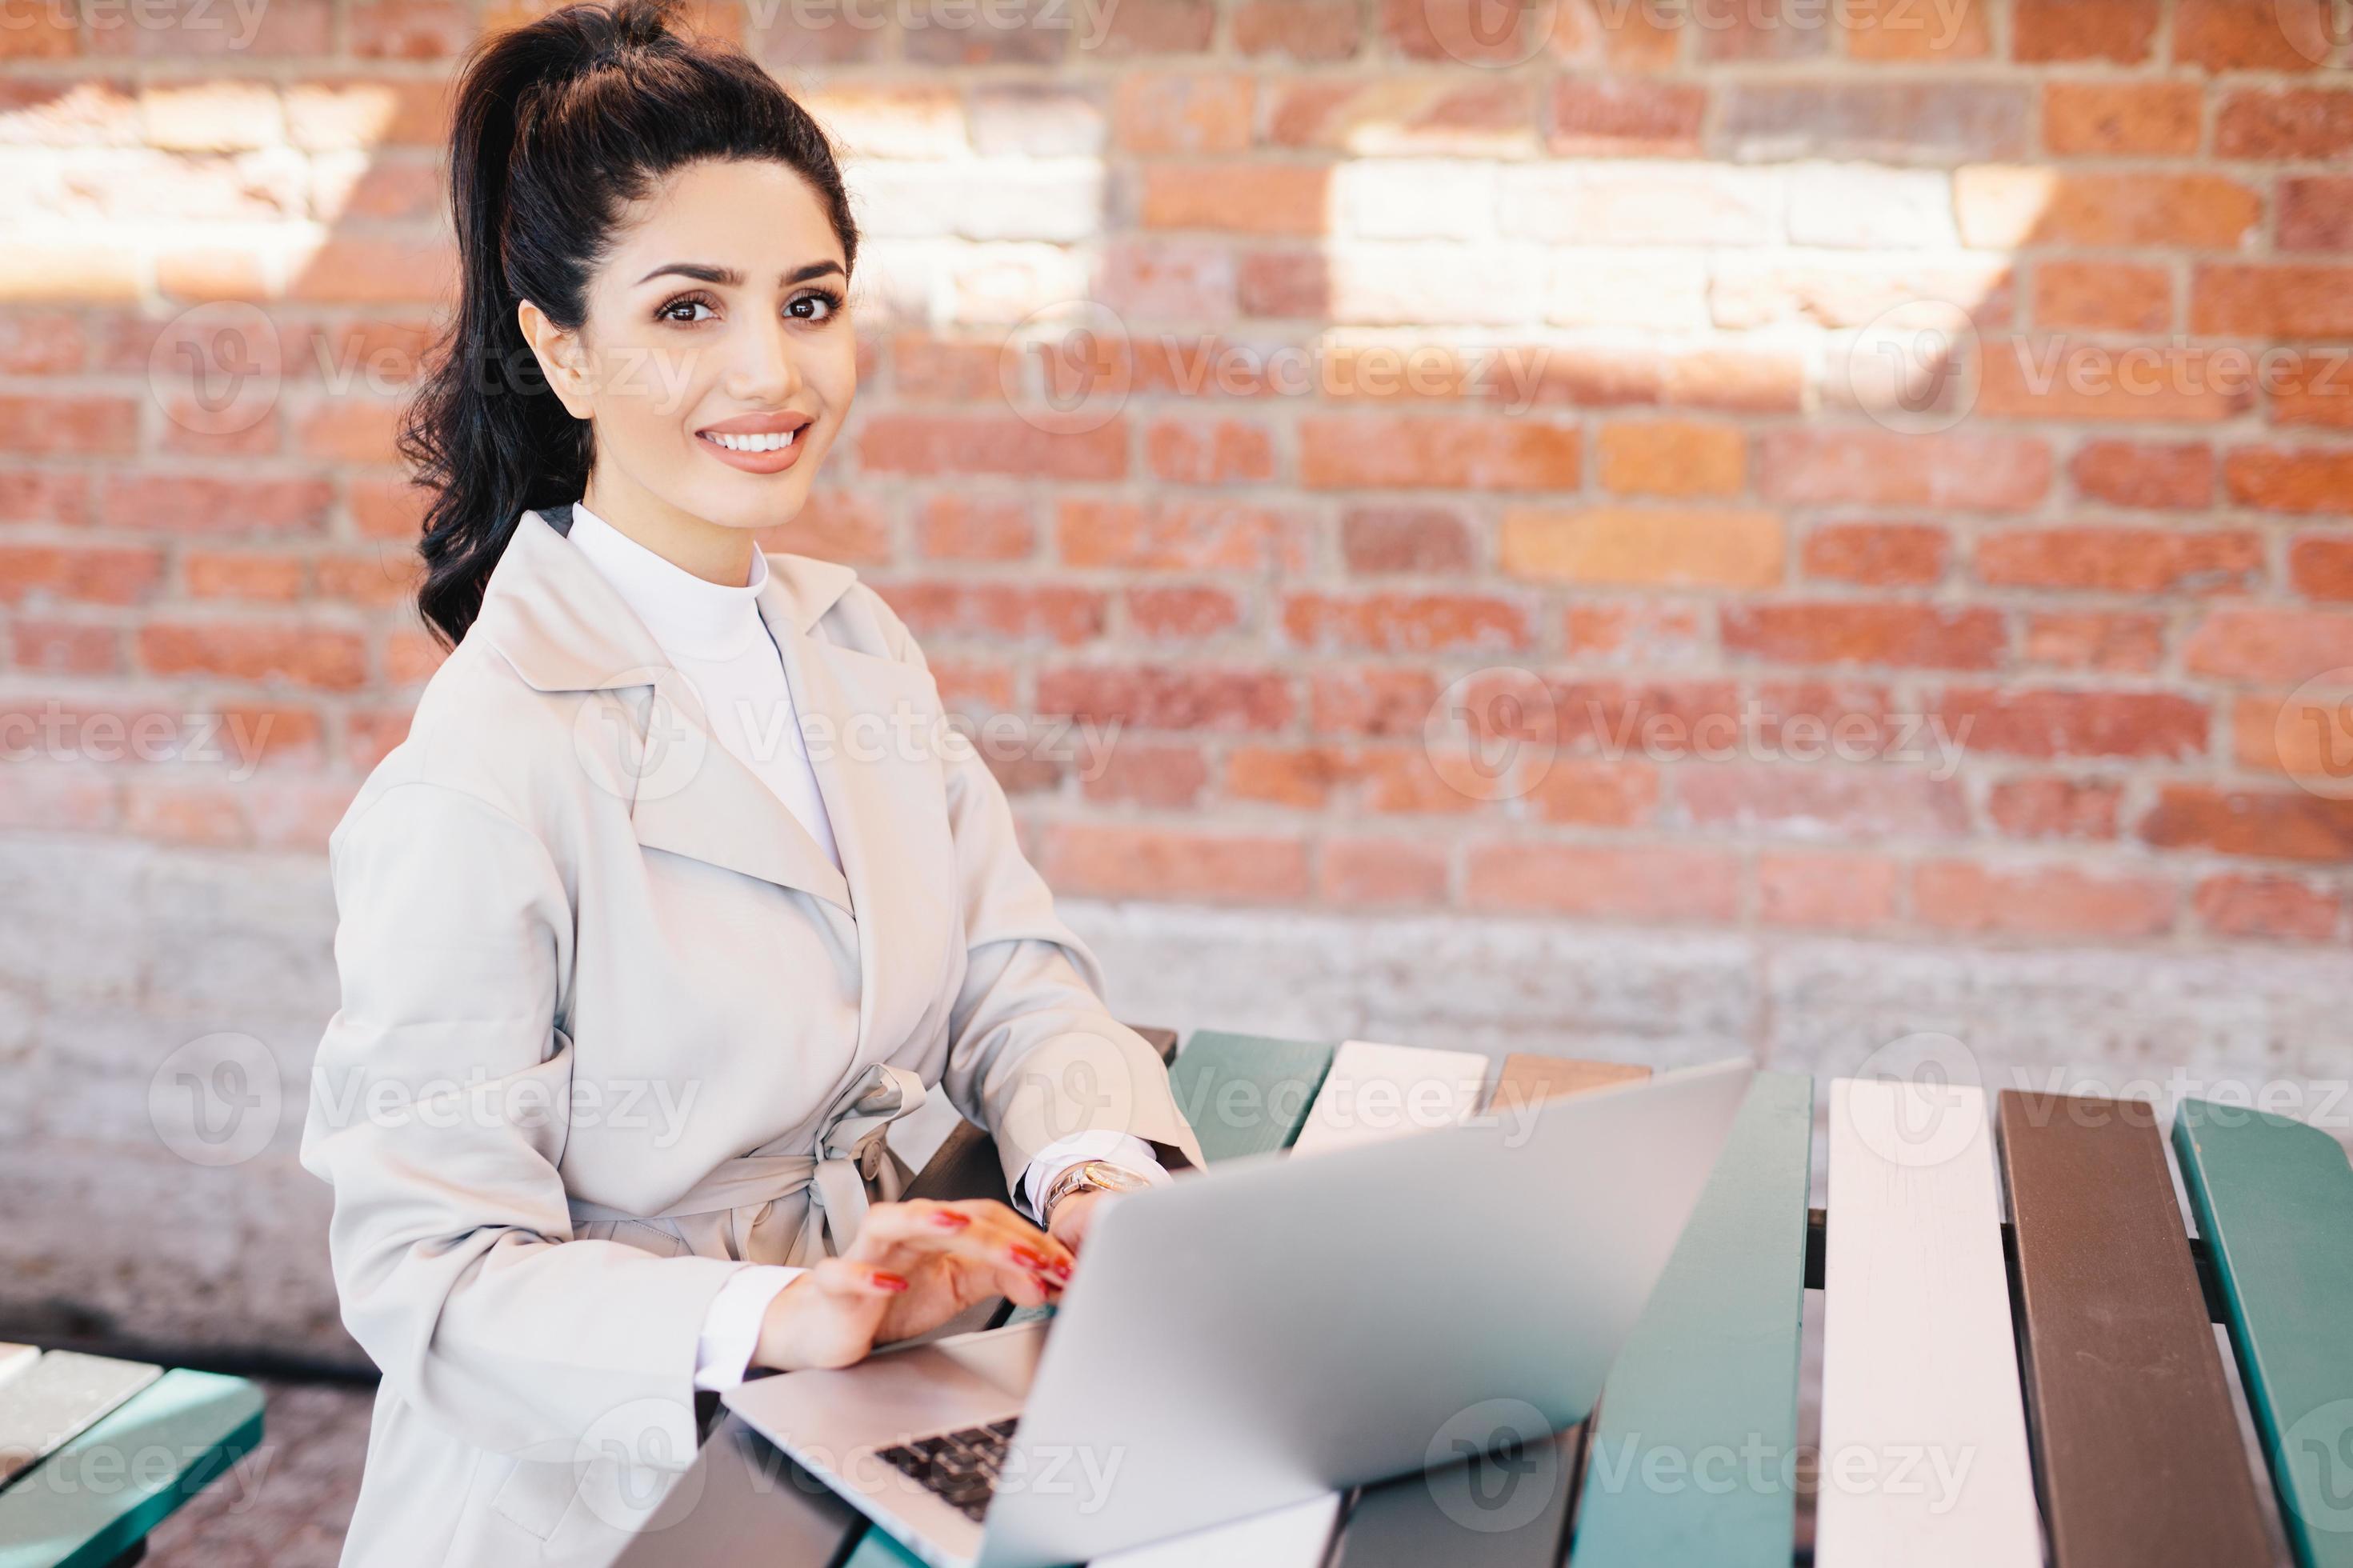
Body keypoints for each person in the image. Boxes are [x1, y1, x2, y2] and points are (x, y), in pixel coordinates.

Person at [297, 4, 1206, 1562]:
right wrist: (783, 1308)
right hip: (597, 1497)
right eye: (688, 311)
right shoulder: (483, 772)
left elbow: (1013, 978)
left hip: (870, 1413)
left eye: (808, 299)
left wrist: (1098, 1170)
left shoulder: (854, 649)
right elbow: (428, 1271)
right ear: (561, 347)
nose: (769, 369)